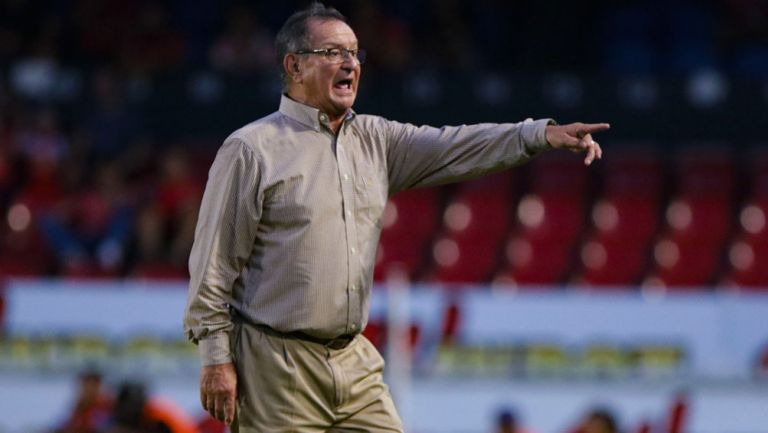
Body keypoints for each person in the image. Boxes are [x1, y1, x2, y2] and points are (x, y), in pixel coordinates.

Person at [183, 2, 608, 431]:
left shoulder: (377, 140)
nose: (350, 63)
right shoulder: (251, 150)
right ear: (294, 66)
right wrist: (216, 358)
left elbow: (456, 146)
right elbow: (212, 266)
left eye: (355, 53)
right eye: (333, 52)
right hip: (276, 366)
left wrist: (539, 134)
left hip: (353, 360)